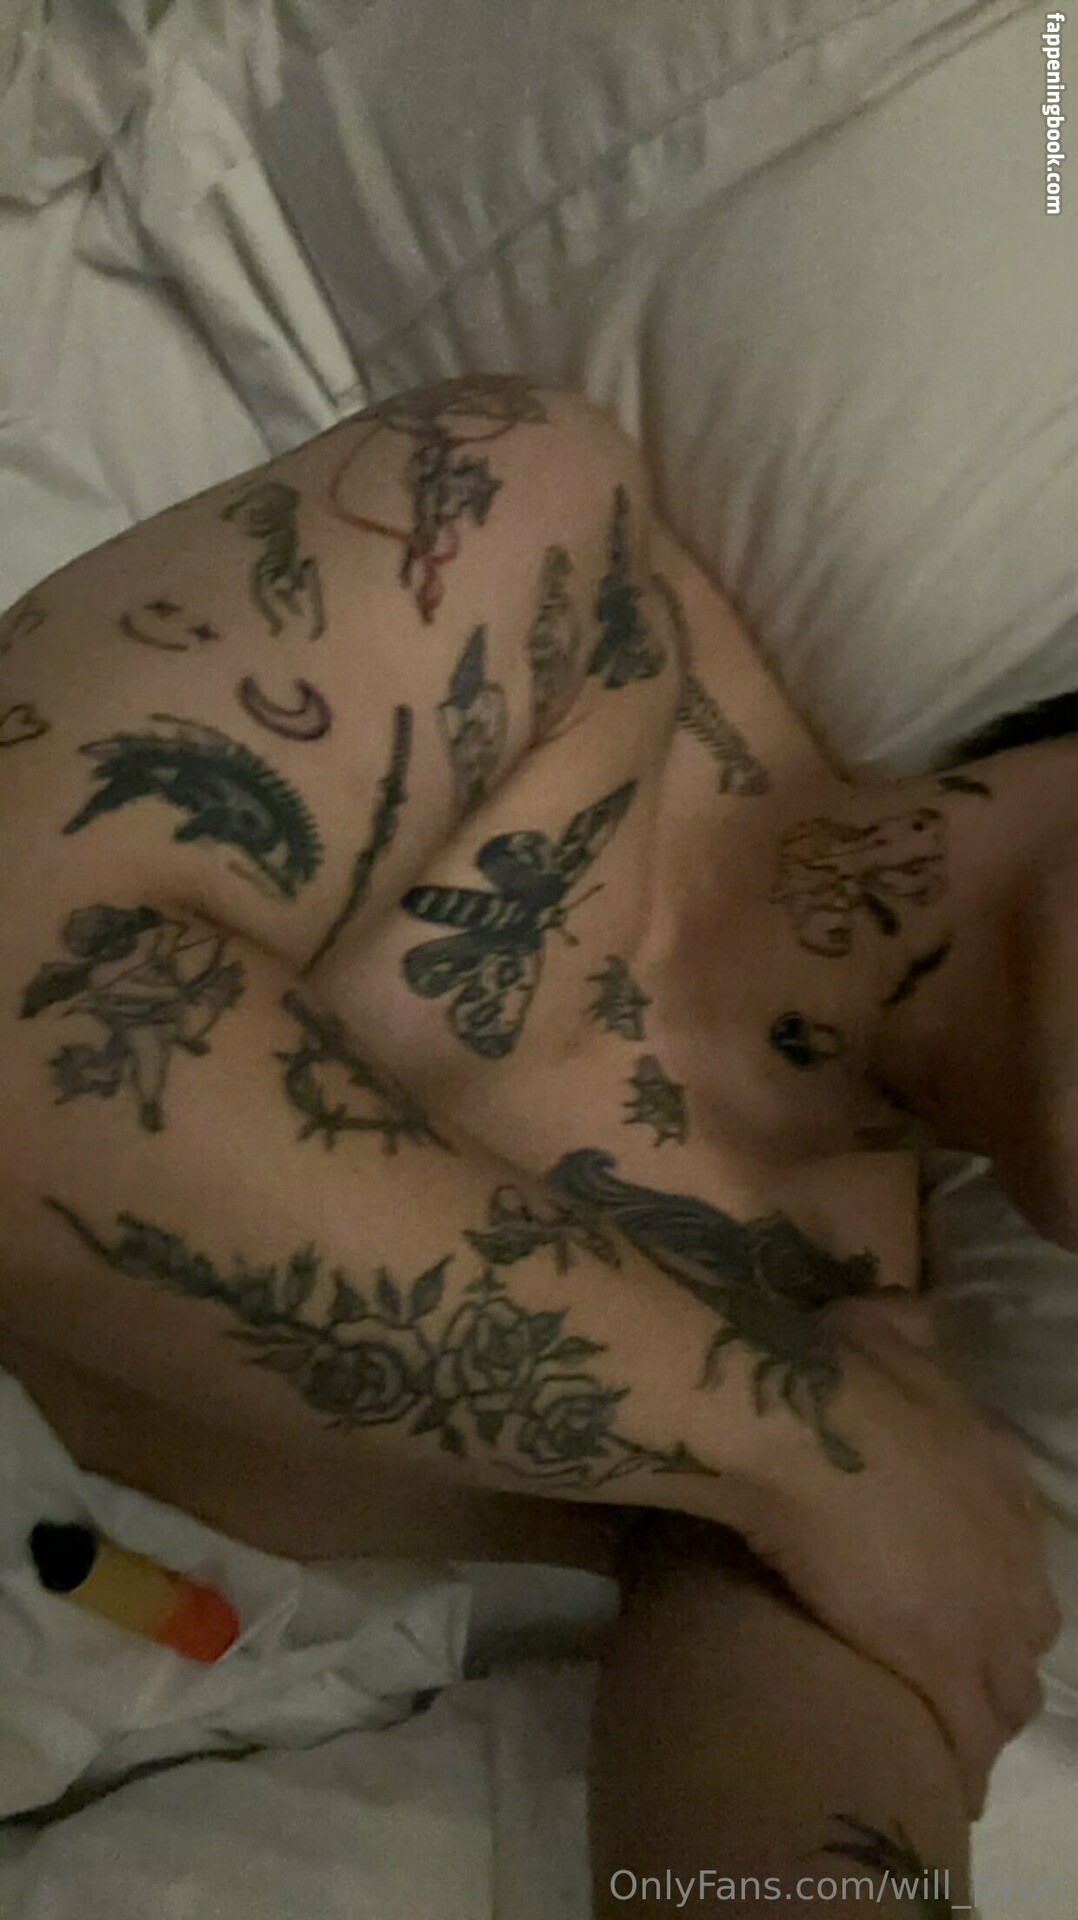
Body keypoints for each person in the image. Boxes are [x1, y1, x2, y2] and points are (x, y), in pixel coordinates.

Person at [0, 374, 1064, 1915]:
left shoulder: (869, 1352)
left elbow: (792, 1818)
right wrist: (781, 1443)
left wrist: (818, 1469)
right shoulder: (522, 537)